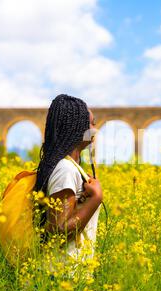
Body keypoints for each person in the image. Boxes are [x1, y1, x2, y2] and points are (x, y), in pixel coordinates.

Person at [34, 94, 103, 265]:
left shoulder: (69, 167)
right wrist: (95, 199)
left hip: (67, 275)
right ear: (76, 127)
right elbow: (58, 232)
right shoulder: (65, 169)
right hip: (60, 277)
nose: (95, 128)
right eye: (92, 123)